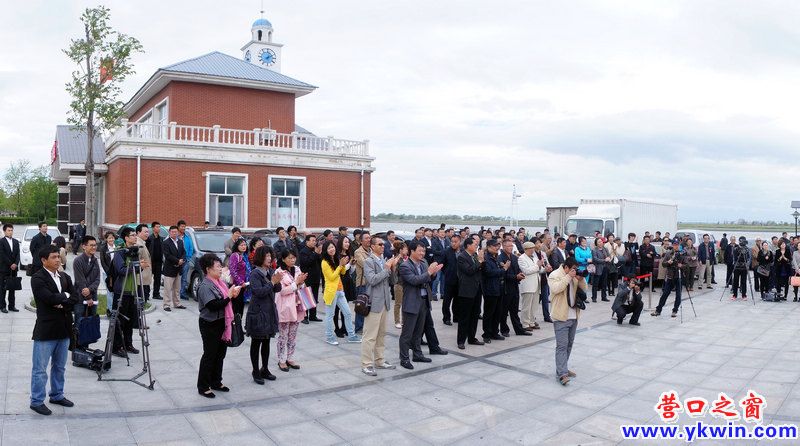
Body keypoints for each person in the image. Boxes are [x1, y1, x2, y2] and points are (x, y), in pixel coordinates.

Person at [29, 245, 78, 415]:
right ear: (44, 260)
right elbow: (48, 299)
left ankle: (57, 395)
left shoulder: (64, 276)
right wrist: (65, 296)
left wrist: (63, 301)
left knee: (59, 367)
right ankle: (36, 401)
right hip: (46, 330)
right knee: (40, 369)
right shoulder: (37, 278)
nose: (58, 260)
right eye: (54, 257)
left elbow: (75, 297)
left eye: (59, 256)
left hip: (64, 328)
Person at [196, 253, 241, 398]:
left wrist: (232, 295)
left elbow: (226, 300)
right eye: (217, 266)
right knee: (210, 355)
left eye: (221, 266)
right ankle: (203, 386)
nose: (221, 269)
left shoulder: (220, 283)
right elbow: (213, 305)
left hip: (222, 322)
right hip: (210, 324)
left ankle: (216, 381)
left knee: (220, 354)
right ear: (208, 269)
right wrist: (229, 296)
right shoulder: (205, 286)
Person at [397, 241, 443, 370]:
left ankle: (417, 354)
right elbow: (413, 280)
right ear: (412, 251)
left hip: (424, 301)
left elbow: (428, 280)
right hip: (412, 302)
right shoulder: (405, 266)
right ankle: (404, 358)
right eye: (420, 251)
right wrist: (429, 273)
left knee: (418, 332)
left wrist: (433, 274)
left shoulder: (423, 263)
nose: (422, 253)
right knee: (407, 333)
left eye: (424, 251)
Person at [360, 236, 398, 376]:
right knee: (370, 335)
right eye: (380, 244)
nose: (383, 246)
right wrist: (387, 269)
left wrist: (393, 268)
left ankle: (379, 360)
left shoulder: (383, 260)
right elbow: (372, 280)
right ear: (373, 246)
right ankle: (367, 364)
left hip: (384, 302)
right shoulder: (369, 261)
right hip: (374, 302)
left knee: (381, 334)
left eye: (383, 244)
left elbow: (393, 281)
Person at [548, 257, 587, 386]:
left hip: (573, 315)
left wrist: (581, 279)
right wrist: (568, 277)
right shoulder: (555, 275)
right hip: (560, 317)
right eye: (573, 269)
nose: (575, 271)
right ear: (566, 267)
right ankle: (562, 374)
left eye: (576, 269)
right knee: (562, 346)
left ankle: (563, 367)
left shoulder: (574, 275)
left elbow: (584, 290)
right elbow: (556, 289)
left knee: (569, 344)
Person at [246, 246, 281, 384]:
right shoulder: (255, 273)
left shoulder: (270, 271)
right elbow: (259, 292)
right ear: (260, 258)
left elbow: (277, 289)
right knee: (256, 342)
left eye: (270, 256)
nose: (269, 258)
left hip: (269, 311)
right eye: (267, 256)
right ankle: (255, 371)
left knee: (266, 341)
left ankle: (265, 368)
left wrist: (277, 280)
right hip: (258, 313)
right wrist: (272, 282)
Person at [320, 240, 361, 345]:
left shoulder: (335, 259)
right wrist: (340, 265)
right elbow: (331, 277)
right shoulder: (324, 262)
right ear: (325, 250)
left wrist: (344, 264)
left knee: (347, 313)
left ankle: (351, 335)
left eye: (333, 247)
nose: (332, 249)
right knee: (330, 315)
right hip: (331, 292)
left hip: (340, 291)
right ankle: (329, 337)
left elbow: (342, 272)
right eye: (329, 248)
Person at [111, 227, 143, 357]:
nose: (135, 237)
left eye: (135, 235)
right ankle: (116, 347)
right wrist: (136, 266)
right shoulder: (120, 252)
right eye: (133, 235)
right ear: (126, 238)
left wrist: (140, 266)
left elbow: (136, 270)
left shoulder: (134, 251)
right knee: (120, 321)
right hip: (122, 291)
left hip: (132, 290)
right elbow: (121, 270)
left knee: (130, 320)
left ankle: (128, 344)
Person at [275, 249, 307, 372]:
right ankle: (281, 359)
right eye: (289, 258)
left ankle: (290, 357)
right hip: (285, 307)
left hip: (297, 305)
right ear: (283, 259)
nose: (292, 260)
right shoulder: (279, 272)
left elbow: (302, 287)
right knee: (283, 335)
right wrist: (296, 283)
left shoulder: (297, 269)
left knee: (293, 334)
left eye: (294, 257)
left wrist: (301, 282)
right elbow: (281, 291)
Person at [456, 237, 484, 349]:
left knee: (474, 315)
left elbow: (480, 269)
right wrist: (480, 261)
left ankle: (472, 338)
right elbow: (469, 270)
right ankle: (461, 340)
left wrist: (481, 261)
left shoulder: (475, 256)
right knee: (464, 317)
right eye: (474, 244)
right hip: (466, 290)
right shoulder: (462, 257)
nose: (476, 246)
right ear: (468, 245)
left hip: (477, 289)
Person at [72, 236, 100, 349]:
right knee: (79, 322)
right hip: (80, 298)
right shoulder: (78, 261)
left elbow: (97, 279)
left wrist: (90, 290)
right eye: (91, 245)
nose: (94, 247)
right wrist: (87, 296)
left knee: (89, 323)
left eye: (95, 245)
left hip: (93, 296)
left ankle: (85, 347)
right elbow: (80, 281)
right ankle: (77, 349)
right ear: (84, 246)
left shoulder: (95, 260)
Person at [498, 239, 530, 337]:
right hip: (505, 287)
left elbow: (518, 270)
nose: (510, 248)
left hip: (515, 286)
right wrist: (515, 277)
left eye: (511, 246)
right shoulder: (500, 258)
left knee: (514, 310)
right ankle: (504, 330)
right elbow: (502, 274)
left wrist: (520, 274)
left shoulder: (514, 257)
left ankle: (519, 329)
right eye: (508, 246)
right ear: (503, 246)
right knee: (504, 311)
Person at [481, 239, 506, 343]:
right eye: (495, 246)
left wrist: (502, 268)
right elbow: (488, 272)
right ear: (489, 247)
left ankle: (495, 332)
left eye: (498, 246)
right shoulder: (486, 258)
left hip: (498, 288)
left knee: (497, 312)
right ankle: (486, 334)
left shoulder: (496, 257)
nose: (497, 248)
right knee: (489, 313)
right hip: (490, 289)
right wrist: (503, 269)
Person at [651, 240, 684, 317]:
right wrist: (668, 262)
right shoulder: (668, 253)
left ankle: (675, 310)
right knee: (665, 294)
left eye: (677, 245)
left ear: (679, 245)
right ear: (672, 245)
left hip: (678, 276)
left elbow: (686, 265)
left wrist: (681, 266)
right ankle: (658, 310)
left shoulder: (682, 254)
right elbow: (663, 264)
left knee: (678, 295)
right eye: (674, 245)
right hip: (670, 276)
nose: (676, 246)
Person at [334, 236, 357, 337]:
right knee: (336, 308)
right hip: (338, 281)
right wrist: (348, 264)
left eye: (348, 242)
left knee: (345, 307)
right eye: (345, 242)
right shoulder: (336, 255)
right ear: (340, 243)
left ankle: (344, 327)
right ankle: (337, 328)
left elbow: (350, 271)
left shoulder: (348, 255)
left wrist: (353, 265)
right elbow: (339, 270)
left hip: (347, 282)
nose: (347, 244)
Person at [298, 234, 323, 324]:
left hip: (316, 277)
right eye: (312, 240)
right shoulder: (303, 251)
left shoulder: (315, 251)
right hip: (307, 278)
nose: (314, 242)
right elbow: (307, 262)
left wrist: (319, 254)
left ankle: (313, 316)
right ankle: (304, 316)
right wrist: (316, 254)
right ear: (307, 242)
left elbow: (320, 262)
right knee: (306, 297)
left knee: (314, 297)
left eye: (315, 241)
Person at [518, 241, 542, 331]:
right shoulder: (521, 258)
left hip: (536, 284)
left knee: (534, 305)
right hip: (527, 285)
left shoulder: (534, 258)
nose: (532, 250)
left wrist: (544, 269)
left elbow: (538, 269)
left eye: (533, 248)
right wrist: (537, 266)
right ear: (525, 249)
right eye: (530, 248)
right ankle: (525, 324)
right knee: (526, 306)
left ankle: (532, 322)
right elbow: (526, 271)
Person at [161, 226, 186, 312]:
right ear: (169, 232)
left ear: (178, 232)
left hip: (179, 269)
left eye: (176, 232)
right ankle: (166, 305)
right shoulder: (166, 243)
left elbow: (184, 252)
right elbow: (167, 255)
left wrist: (182, 260)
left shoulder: (180, 241)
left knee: (177, 288)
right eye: (172, 232)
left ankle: (177, 303)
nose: (174, 233)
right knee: (168, 289)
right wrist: (177, 261)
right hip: (169, 269)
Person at [353, 232, 372, 334]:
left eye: (370, 238)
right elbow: (365, 265)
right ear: (361, 241)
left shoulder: (371, 250)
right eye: (366, 238)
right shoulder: (358, 252)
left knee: (369, 305)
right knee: (361, 305)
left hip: (372, 282)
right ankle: (359, 327)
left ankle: (366, 326)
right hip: (362, 283)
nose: (369, 240)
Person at [228, 238, 252, 317]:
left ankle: (239, 323)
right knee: (236, 307)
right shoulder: (234, 255)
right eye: (241, 245)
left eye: (245, 245)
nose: (244, 246)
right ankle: (234, 324)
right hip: (236, 285)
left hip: (244, 285)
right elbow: (232, 270)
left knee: (241, 306)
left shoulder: (244, 256)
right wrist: (241, 282)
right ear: (237, 246)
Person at [441, 234, 461, 325]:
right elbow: (442, 265)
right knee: (447, 301)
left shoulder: (463, 252)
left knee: (457, 300)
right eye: (452, 242)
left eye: (455, 242)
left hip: (460, 281)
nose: (453, 243)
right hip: (449, 280)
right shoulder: (446, 252)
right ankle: (446, 318)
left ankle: (456, 317)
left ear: (460, 242)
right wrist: (447, 272)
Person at [0, 223, 20, 313]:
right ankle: (2, 306)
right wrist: (10, 264)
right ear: (4, 231)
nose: (10, 232)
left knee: (12, 287)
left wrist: (15, 264)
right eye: (9, 230)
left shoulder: (15, 241)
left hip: (14, 269)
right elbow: (2, 254)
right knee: (3, 288)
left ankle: (12, 306)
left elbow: (18, 254)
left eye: (12, 230)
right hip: (4, 269)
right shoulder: (1, 241)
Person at [99, 232, 117, 314]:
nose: (111, 239)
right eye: (109, 238)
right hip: (107, 273)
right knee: (109, 291)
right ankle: (111, 310)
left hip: (116, 273)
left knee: (115, 291)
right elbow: (103, 262)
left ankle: (112, 308)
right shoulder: (103, 248)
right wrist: (109, 273)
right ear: (106, 239)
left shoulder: (117, 247)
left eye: (112, 238)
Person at [391, 240, 408, 329]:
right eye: (405, 249)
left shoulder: (407, 258)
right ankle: (397, 321)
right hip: (399, 283)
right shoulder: (396, 259)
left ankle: (404, 320)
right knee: (398, 303)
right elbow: (393, 270)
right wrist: (397, 259)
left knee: (405, 303)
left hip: (406, 284)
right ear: (401, 250)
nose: (407, 251)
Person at [135, 224, 153, 302]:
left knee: (143, 301)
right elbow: (136, 261)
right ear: (138, 232)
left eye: (148, 232)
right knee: (141, 302)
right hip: (140, 279)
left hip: (144, 279)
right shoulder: (138, 244)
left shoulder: (142, 243)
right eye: (145, 232)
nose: (147, 234)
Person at [177, 220, 194, 300]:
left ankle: (182, 293)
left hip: (185, 260)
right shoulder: (175, 236)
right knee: (176, 277)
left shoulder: (187, 237)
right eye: (182, 226)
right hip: (176, 260)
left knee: (184, 278)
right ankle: (175, 293)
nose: (183, 228)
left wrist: (188, 257)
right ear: (178, 227)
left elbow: (191, 248)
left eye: (184, 226)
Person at [147, 222, 164, 300]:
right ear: (153, 228)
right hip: (151, 262)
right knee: (148, 278)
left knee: (158, 279)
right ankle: (146, 294)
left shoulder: (161, 238)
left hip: (159, 262)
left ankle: (156, 294)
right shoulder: (149, 238)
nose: (158, 228)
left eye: (159, 227)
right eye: (157, 227)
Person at [591, 238, 611, 303]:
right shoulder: (594, 250)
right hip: (598, 268)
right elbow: (595, 259)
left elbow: (609, 256)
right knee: (595, 284)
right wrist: (604, 260)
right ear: (596, 243)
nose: (601, 243)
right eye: (599, 242)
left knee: (604, 283)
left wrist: (609, 258)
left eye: (601, 241)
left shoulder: (605, 249)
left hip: (605, 268)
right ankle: (594, 297)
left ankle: (604, 297)